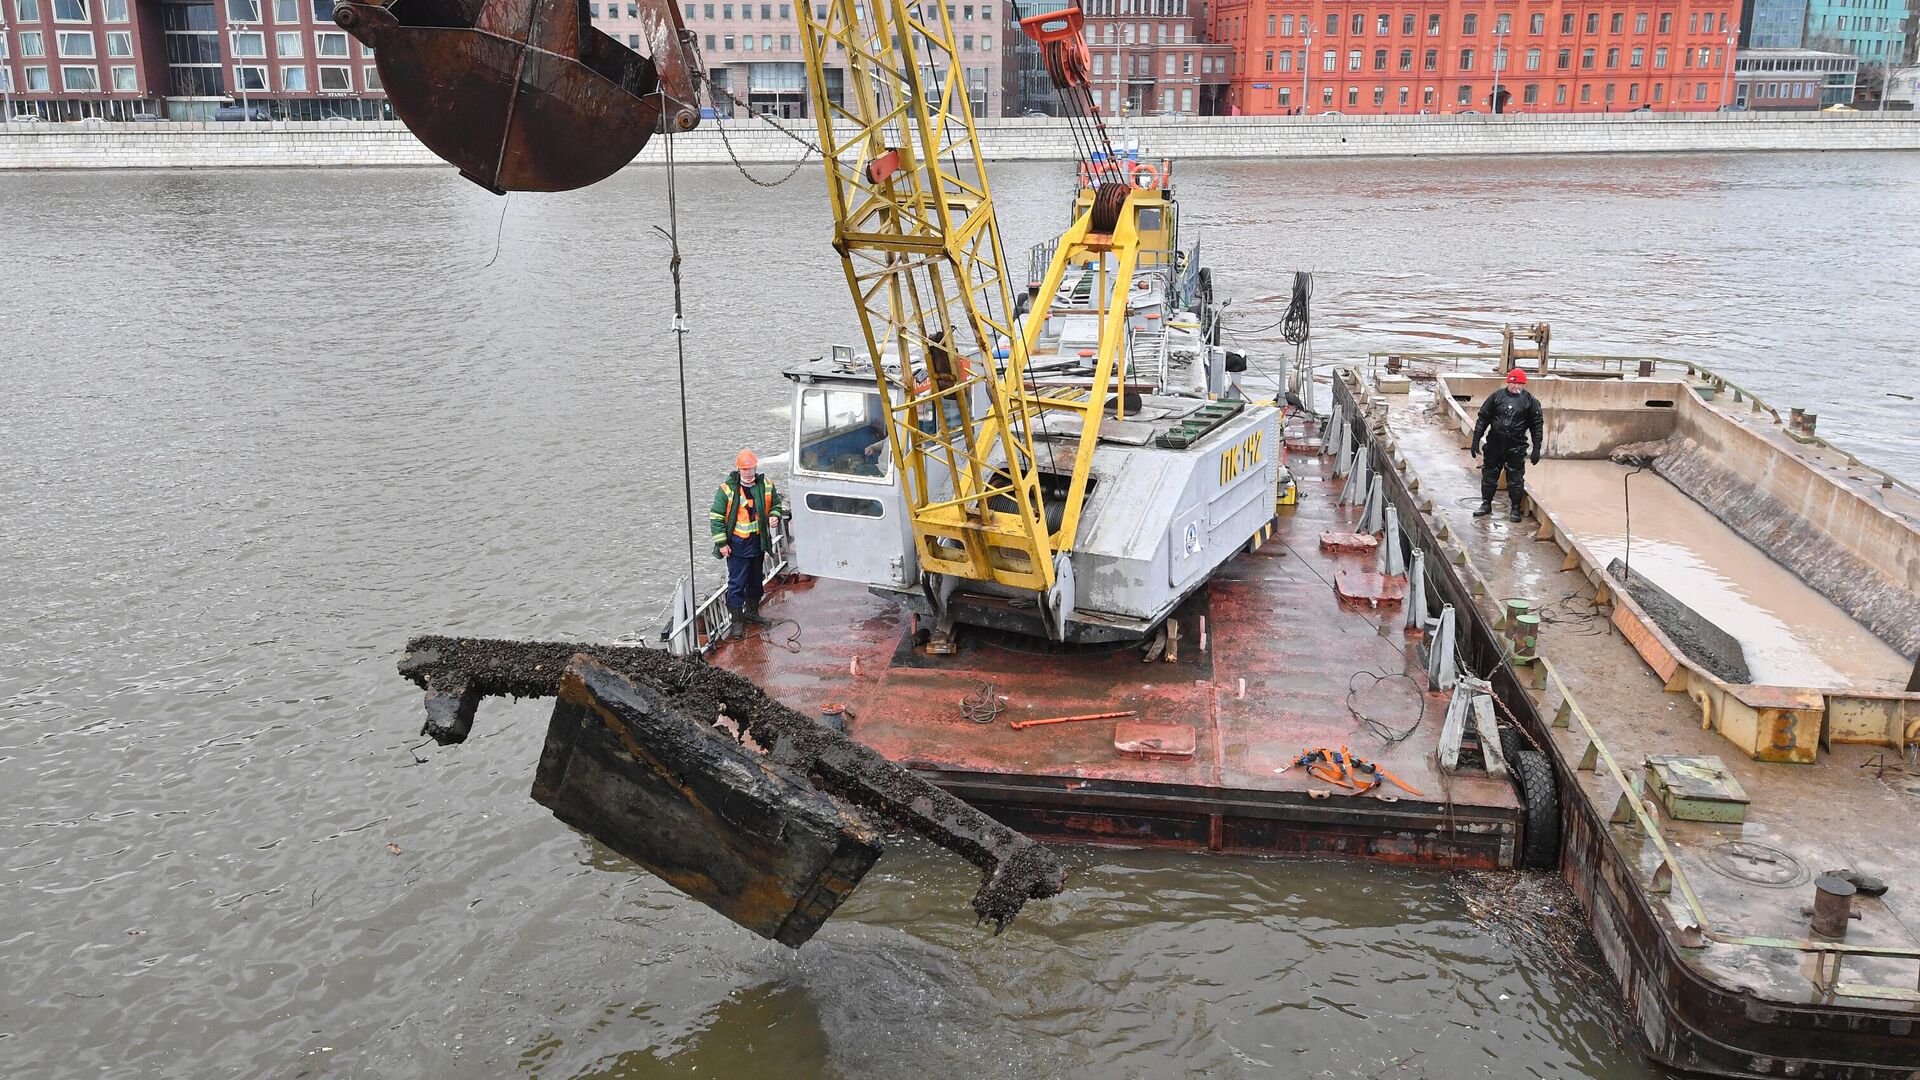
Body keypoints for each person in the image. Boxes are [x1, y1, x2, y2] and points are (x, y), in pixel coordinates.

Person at [709, 449, 788, 637]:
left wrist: (775, 515)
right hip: (737, 545)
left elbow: (776, 504)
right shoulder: (726, 490)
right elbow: (716, 517)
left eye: (751, 468)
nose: (748, 472)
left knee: (755, 580)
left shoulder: (766, 486)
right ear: (738, 469)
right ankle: (737, 621)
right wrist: (722, 544)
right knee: (736, 583)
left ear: (755, 467)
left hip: (758, 543)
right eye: (745, 469)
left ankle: (752, 613)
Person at [1470, 368, 1544, 522]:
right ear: (1509, 382)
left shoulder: (1530, 401)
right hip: (1494, 445)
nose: (1517, 386)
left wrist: (1536, 448)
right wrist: (1476, 439)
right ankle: (1486, 504)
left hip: (1516, 447)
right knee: (1489, 475)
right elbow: (1483, 418)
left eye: (1520, 384)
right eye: (1515, 383)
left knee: (1515, 479)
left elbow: (1537, 426)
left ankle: (1515, 508)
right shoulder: (1496, 397)